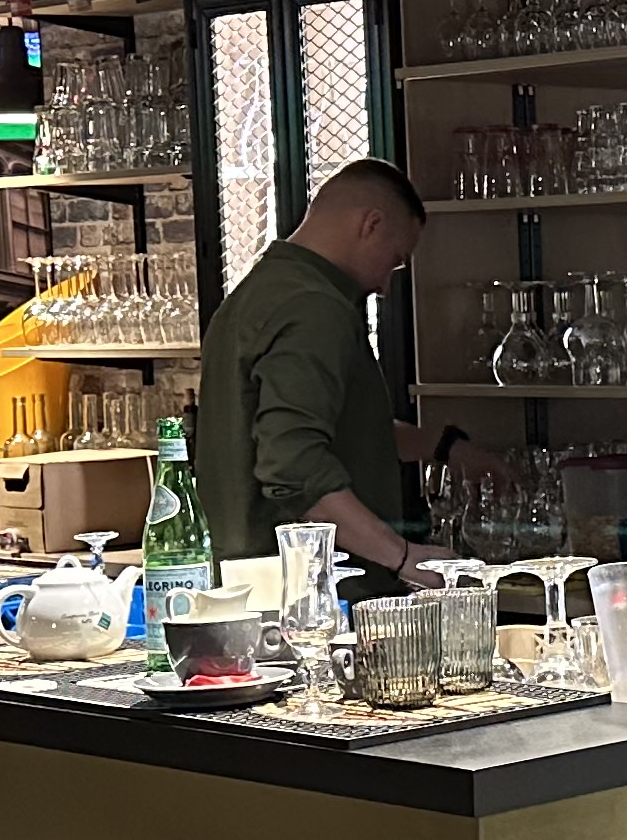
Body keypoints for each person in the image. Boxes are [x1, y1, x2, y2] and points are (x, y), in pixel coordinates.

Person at [194, 157, 455, 582]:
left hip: (248, 579)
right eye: (395, 260)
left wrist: (444, 447)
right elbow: (294, 467)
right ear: (371, 224)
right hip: (306, 589)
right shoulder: (314, 306)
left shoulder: (259, 291)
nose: (386, 286)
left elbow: (328, 430)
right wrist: (403, 556)